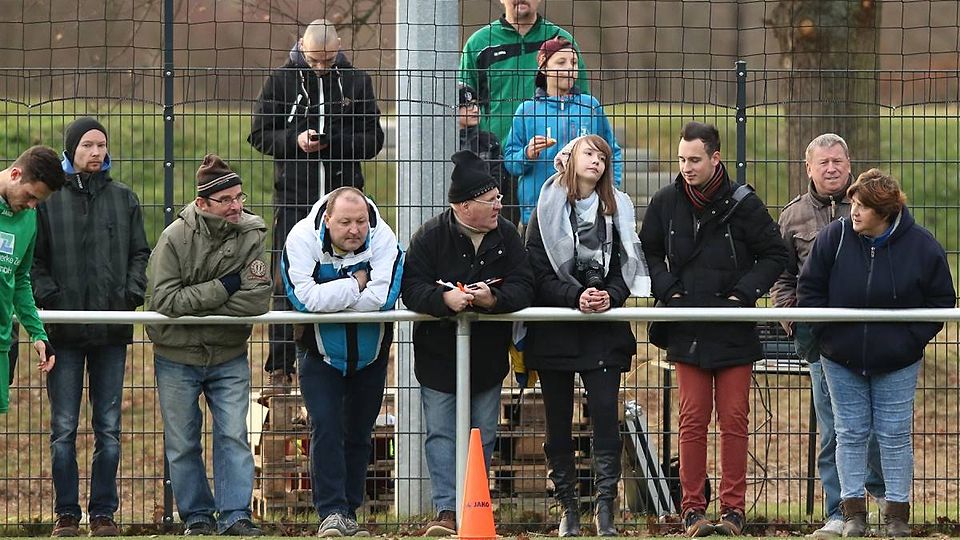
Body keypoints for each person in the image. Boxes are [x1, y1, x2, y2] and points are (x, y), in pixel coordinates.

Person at [639, 122, 787, 537]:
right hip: (686, 325)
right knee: (692, 419)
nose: (686, 167)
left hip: (733, 328)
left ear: (715, 158)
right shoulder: (665, 201)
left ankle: (733, 511)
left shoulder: (745, 203)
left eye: (694, 159)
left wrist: (742, 295)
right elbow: (648, 249)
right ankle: (692, 510)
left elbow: (774, 254)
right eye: (681, 159)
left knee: (735, 419)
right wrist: (668, 291)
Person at [798, 169, 955, 538]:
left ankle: (897, 516)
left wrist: (908, 342)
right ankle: (853, 515)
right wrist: (828, 337)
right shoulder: (834, 238)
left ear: (885, 213)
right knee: (849, 433)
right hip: (840, 359)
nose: (854, 211)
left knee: (894, 435)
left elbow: (941, 303)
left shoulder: (922, 246)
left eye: (863, 206)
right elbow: (810, 291)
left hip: (898, 362)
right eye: (853, 203)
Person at [248, 18, 385, 396]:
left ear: (338, 47)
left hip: (345, 200)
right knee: (286, 279)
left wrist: (333, 141)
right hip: (295, 198)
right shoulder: (281, 80)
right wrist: (296, 141)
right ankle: (281, 367)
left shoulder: (356, 81)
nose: (321, 67)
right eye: (314, 61)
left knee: (351, 274)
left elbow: (372, 140)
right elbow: (258, 134)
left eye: (327, 60)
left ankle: (343, 358)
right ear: (301, 49)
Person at [401, 150, 534, 536]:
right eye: (490, 200)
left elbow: (525, 285)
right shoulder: (429, 237)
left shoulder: (508, 235)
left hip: (488, 358)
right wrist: (443, 300)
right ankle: (446, 509)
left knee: (484, 432)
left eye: (498, 198)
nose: (499, 205)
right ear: (463, 206)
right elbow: (411, 288)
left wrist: (494, 300)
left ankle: (475, 505)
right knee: (441, 433)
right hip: (437, 358)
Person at [524, 135, 650, 537]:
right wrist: (574, 296)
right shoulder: (543, 213)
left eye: (602, 156)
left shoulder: (619, 209)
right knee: (558, 422)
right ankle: (568, 508)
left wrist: (610, 296)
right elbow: (537, 273)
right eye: (589, 153)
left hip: (603, 332)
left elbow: (626, 267)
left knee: (605, 417)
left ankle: (605, 507)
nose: (597, 160)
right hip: (555, 333)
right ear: (570, 159)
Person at [31, 118, 151, 538]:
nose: (96, 152)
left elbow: (140, 253)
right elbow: (34, 262)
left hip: (110, 332)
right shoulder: (47, 202)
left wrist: (129, 295)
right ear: (71, 150)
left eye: (101, 144)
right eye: (87, 145)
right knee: (63, 428)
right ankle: (66, 514)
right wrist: (52, 300)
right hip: (63, 334)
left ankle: (103, 514)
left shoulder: (124, 199)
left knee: (109, 429)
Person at [146, 154, 271, 537]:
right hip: (176, 356)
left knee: (234, 435)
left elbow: (257, 299)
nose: (236, 206)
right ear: (202, 203)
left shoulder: (252, 234)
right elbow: (163, 301)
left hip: (229, 354)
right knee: (182, 442)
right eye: (226, 199)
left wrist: (197, 302)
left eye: (239, 196)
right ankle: (197, 516)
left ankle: (235, 515)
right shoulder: (174, 238)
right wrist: (223, 288)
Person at [770, 134, 886, 538]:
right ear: (809, 168)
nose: (832, 168)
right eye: (823, 162)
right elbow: (781, 276)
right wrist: (794, 320)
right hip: (820, 342)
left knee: (876, 426)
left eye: (838, 161)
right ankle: (839, 513)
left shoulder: (875, 208)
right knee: (834, 429)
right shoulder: (793, 216)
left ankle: (884, 500)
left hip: (871, 339)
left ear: (849, 163)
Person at [281, 187, 404, 537]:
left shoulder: (384, 238)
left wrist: (333, 292)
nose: (355, 230)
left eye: (361, 222)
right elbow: (304, 299)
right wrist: (356, 284)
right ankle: (331, 512)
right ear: (327, 220)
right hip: (319, 355)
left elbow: (382, 299)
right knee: (327, 428)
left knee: (359, 435)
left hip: (370, 356)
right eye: (346, 222)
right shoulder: (300, 239)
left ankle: (349, 513)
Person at [459, 0, 588, 225]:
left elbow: (582, 103)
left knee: (547, 235)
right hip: (494, 162)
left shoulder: (560, 40)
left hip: (550, 163)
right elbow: (462, 102)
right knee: (498, 237)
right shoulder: (478, 44)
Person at [503, 37, 623, 225]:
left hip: (585, 209)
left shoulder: (590, 107)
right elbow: (511, 162)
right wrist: (527, 154)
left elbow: (611, 151)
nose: (569, 68)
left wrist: (610, 189)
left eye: (574, 63)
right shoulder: (526, 110)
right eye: (561, 62)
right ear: (544, 67)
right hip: (538, 210)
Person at [0, 145, 64, 414]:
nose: (31, 205)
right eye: (30, 196)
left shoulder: (29, 218)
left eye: (38, 201)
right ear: (15, 174)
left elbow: (19, 279)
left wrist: (38, 334)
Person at [458, 82, 507, 205]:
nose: (475, 110)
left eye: (477, 104)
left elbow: (498, 177)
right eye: (468, 105)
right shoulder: (441, 143)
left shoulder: (489, 141)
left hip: (486, 204)